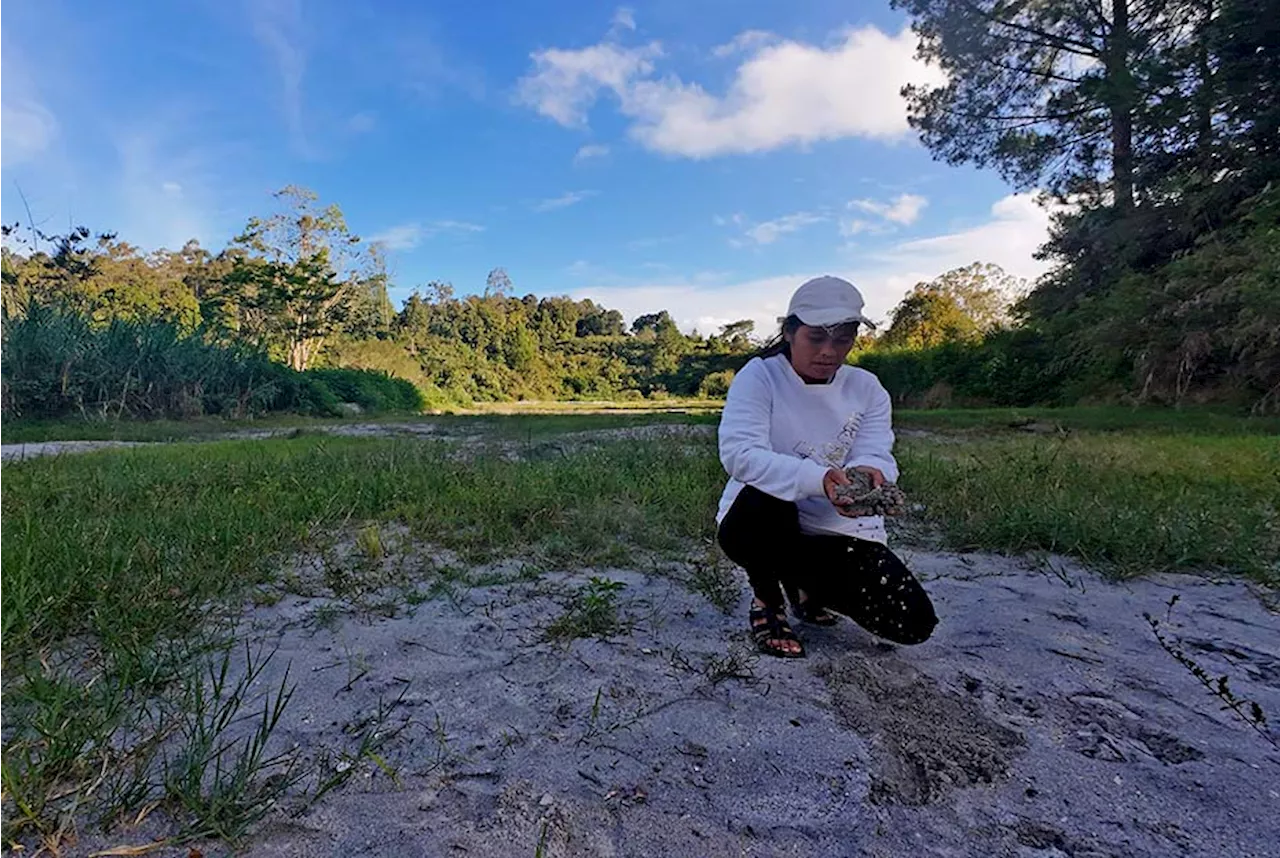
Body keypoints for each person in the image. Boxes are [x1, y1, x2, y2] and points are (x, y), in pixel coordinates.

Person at [715, 275, 938, 658]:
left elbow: (876, 451)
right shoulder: (760, 376)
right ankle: (767, 600)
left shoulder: (867, 388)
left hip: (835, 526)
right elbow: (740, 453)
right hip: (762, 520)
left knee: (911, 621)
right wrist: (819, 480)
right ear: (789, 332)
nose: (829, 352)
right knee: (763, 501)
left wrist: (869, 476)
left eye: (843, 339)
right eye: (816, 338)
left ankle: (806, 589)